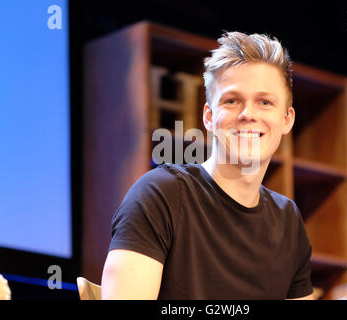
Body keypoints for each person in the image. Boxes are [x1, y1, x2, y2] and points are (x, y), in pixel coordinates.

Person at [101, 31, 314, 300]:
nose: (248, 114)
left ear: (287, 120)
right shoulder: (160, 195)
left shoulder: (288, 221)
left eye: (265, 102)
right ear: (209, 117)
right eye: (232, 101)